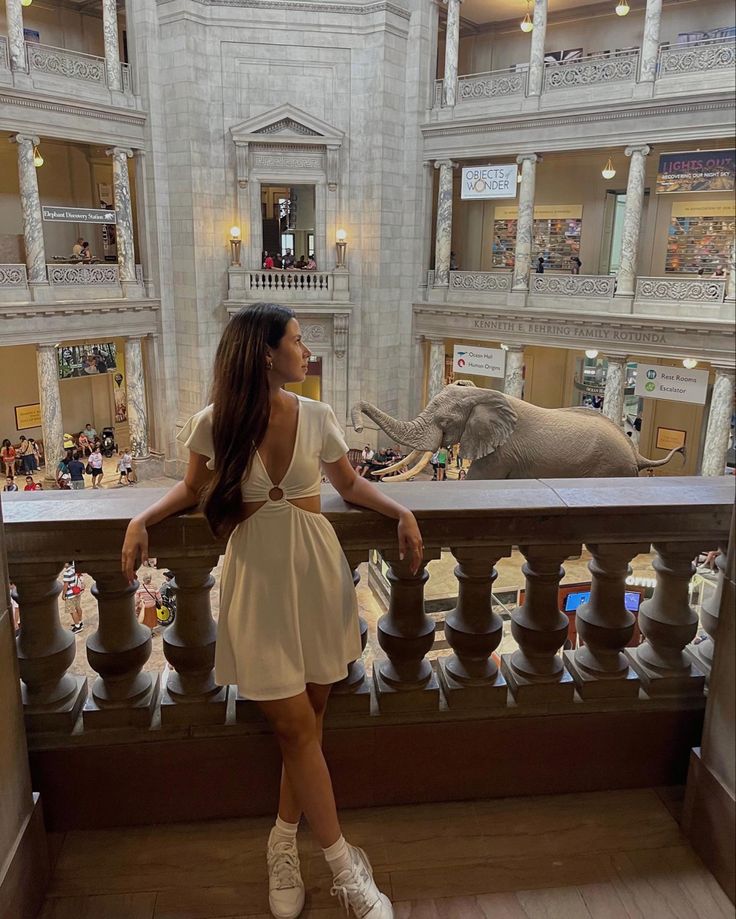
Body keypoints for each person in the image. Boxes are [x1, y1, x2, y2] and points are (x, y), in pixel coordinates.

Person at [121, 303, 422, 919]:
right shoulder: (215, 423)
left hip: (317, 575)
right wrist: (141, 517)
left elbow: (349, 486)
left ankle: (282, 843)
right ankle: (345, 870)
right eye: (296, 340)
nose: (305, 350)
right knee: (294, 727)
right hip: (256, 582)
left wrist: (403, 512)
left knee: (307, 723)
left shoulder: (317, 414)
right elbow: (192, 489)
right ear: (265, 352)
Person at [62, 562, 85, 632]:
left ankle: (77, 626)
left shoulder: (67, 573)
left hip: (70, 594)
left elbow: (65, 585)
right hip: (77, 592)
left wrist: (63, 594)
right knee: (78, 607)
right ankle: (80, 622)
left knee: (72, 610)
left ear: (66, 563)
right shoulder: (75, 569)